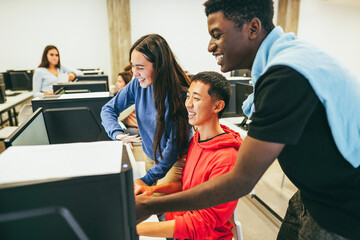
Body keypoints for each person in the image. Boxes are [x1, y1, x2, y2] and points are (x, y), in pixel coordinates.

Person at [135, 1, 360, 239]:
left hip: (341, 207)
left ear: (253, 28)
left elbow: (241, 180)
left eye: (217, 35)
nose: (210, 46)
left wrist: (151, 206)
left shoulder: (286, 74)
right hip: (310, 193)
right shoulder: (284, 59)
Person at [136, 71, 242, 240]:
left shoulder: (227, 159)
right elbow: (186, 186)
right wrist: (152, 189)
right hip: (178, 222)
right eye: (188, 96)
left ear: (217, 106)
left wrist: (137, 228)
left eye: (197, 98)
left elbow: (201, 224)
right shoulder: (197, 140)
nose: (188, 104)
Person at [101, 34, 192, 193]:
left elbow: (173, 146)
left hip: (173, 161)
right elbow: (108, 109)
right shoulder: (137, 84)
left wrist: (147, 179)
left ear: (159, 66)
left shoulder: (180, 93)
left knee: (151, 205)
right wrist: (117, 134)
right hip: (150, 154)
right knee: (146, 204)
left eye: (140, 67)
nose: (134, 73)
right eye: (132, 66)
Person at [115, 71, 139, 136]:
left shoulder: (131, 98)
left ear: (127, 84)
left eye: (120, 82)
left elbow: (119, 117)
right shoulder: (124, 96)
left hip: (138, 129)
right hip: (131, 125)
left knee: (119, 132)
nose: (116, 84)